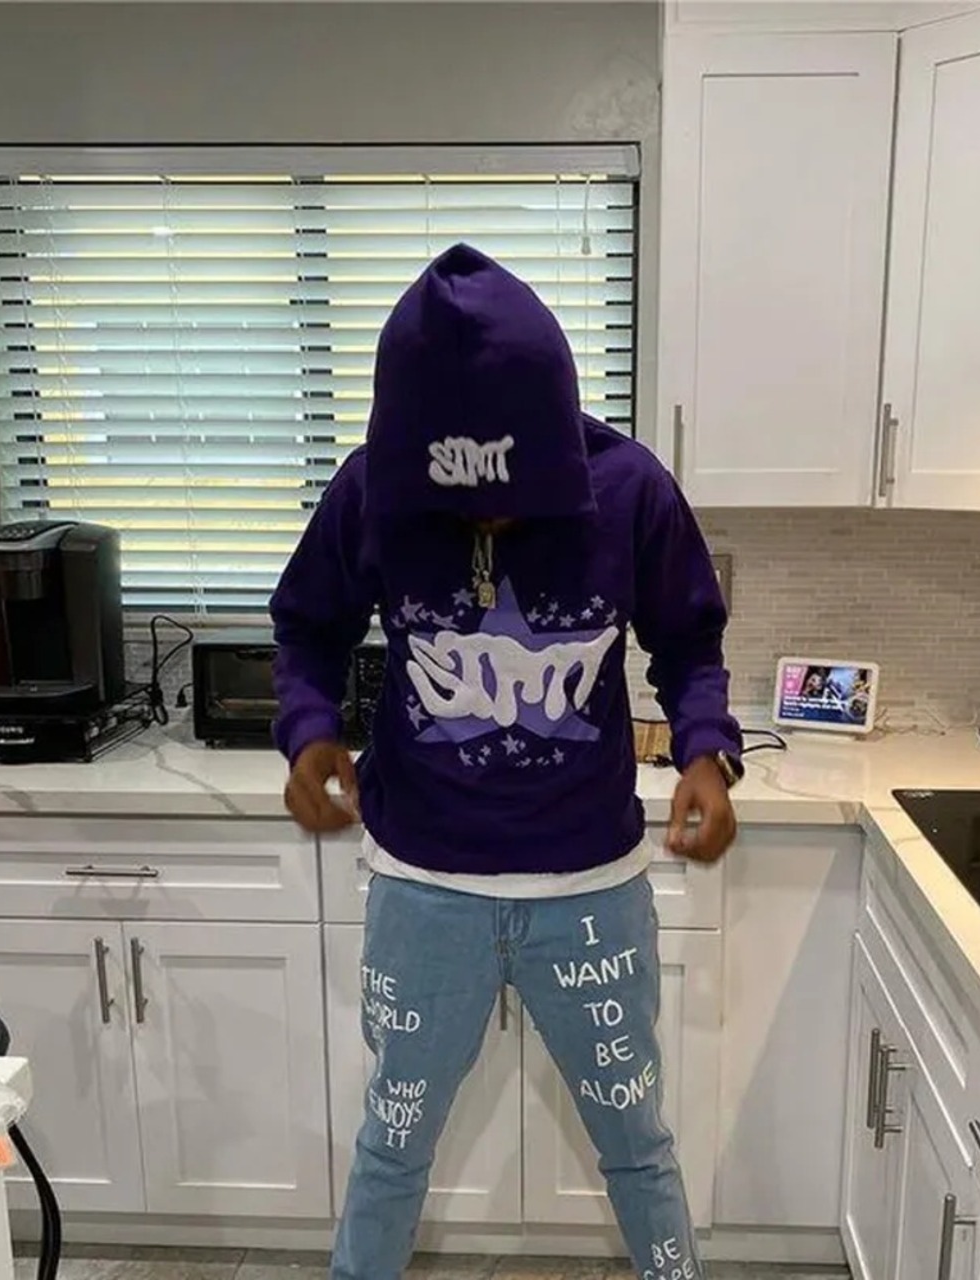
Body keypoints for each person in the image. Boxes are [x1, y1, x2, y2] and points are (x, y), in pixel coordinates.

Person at [270, 244, 743, 1280]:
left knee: (637, 1143)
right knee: (393, 1143)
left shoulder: (629, 489)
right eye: (458, 496)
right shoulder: (371, 490)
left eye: (509, 491)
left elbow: (688, 639)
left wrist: (706, 751)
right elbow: (307, 625)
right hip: (421, 886)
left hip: (590, 891)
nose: (486, 517)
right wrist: (308, 728)